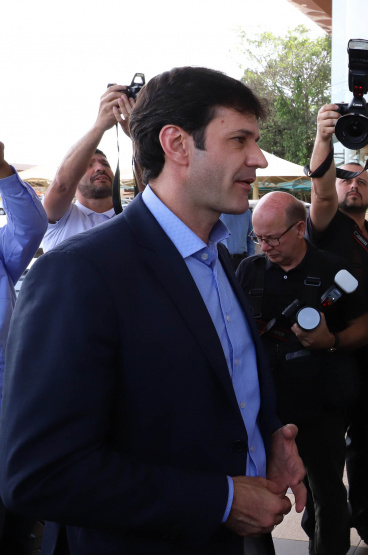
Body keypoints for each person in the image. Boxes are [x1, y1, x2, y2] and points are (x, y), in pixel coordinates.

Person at [0, 66, 306, 555]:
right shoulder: (77, 274)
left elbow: (221, 384)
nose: (259, 159)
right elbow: (41, 474)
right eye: (240, 140)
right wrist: (223, 499)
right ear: (177, 144)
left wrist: (269, 437)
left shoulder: (220, 257)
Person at [237, 191, 368, 555]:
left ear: (300, 228)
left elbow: (365, 328)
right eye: (257, 238)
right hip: (265, 409)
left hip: (321, 408)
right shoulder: (249, 271)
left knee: (326, 494)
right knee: (257, 494)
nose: (264, 246)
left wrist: (331, 341)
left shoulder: (333, 270)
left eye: (272, 238)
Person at [305, 104, 368, 547]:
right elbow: (320, 194)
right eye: (345, 178)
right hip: (325, 356)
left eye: (361, 179)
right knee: (324, 449)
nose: (353, 185)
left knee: (365, 442)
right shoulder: (324, 225)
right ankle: (320, 520)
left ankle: (365, 516)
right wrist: (324, 140)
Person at [0, 141, 48, 555]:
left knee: (12, 526)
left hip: (6, 415)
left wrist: (2, 171)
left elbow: (32, 226)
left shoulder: (2, 251)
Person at [41, 84, 135, 252]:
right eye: (89, 165)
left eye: (105, 164)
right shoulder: (60, 219)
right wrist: (100, 125)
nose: (100, 168)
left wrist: (136, 134)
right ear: (75, 176)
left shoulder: (133, 215)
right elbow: (62, 185)